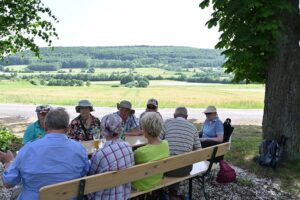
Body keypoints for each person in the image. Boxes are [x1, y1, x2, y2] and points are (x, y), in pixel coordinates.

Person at [0, 108, 90, 200]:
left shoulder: (28, 148)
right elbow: (83, 173)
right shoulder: (80, 149)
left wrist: (8, 162)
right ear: (68, 128)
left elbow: (8, 182)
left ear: (45, 126)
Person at [88, 114, 134, 200]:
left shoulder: (100, 154)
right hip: (124, 194)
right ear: (120, 129)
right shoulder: (128, 146)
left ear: (103, 131)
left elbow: (91, 179)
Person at [161, 107, 201, 199]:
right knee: (179, 159)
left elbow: (157, 140)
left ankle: (162, 193)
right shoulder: (193, 127)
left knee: (168, 159)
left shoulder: (167, 122)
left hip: (166, 169)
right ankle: (173, 192)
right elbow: (199, 149)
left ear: (174, 116)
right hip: (186, 169)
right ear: (186, 117)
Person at [132, 112, 169, 191]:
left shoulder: (140, 152)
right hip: (156, 181)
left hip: (140, 185)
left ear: (145, 132)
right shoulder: (166, 144)